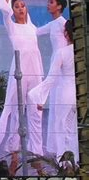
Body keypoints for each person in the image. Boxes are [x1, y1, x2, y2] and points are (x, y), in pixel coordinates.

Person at [0, 0, 44, 175]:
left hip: (35, 71)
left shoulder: (32, 27)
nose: (20, 8)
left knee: (36, 113)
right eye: (17, 6)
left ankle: (37, 157)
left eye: (22, 5)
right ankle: (15, 155)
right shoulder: (11, 25)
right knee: (17, 113)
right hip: (18, 71)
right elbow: (3, 6)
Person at [29, 20, 78, 160]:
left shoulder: (61, 53)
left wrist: (39, 97)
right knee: (72, 130)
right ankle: (75, 161)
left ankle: (62, 162)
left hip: (65, 94)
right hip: (77, 95)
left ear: (66, 34)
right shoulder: (79, 53)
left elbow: (51, 79)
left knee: (60, 128)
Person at [36, 0, 68, 155]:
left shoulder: (63, 24)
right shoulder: (53, 24)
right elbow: (36, 32)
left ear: (59, 6)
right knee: (56, 107)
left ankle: (65, 148)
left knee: (62, 109)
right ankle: (58, 149)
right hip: (57, 63)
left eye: (51, 2)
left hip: (63, 67)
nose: (48, 5)